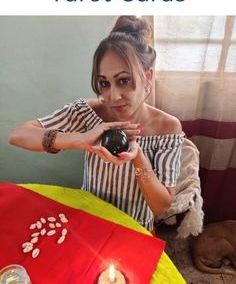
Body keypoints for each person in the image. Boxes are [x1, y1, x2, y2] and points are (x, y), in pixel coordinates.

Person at [9, 16, 184, 232]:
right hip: (88, 222)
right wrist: (79, 139)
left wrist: (138, 158)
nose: (113, 95)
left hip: (134, 230)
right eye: (104, 83)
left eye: (124, 80)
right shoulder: (87, 112)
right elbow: (19, 135)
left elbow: (161, 206)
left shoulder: (167, 127)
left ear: (147, 77)